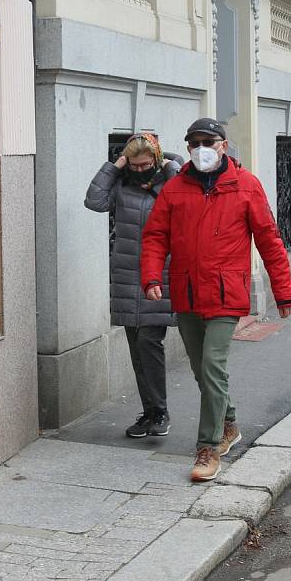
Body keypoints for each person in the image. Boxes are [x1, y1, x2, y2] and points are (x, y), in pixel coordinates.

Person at [141, 118, 291, 482]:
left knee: (211, 366)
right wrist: (150, 277)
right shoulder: (175, 188)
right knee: (201, 369)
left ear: (224, 145)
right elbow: (154, 236)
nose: (200, 149)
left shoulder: (246, 186)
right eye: (193, 143)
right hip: (188, 291)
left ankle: (207, 448)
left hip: (227, 293)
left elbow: (269, 240)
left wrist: (283, 290)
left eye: (207, 141)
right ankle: (229, 426)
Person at [84, 133, 183, 438]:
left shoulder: (171, 181)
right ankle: (151, 412)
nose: (140, 170)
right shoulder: (121, 184)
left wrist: (168, 167)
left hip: (160, 275)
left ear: (157, 159)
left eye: (146, 164)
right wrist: (115, 166)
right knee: (137, 350)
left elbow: (185, 200)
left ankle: (160, 411)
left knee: (148, 343)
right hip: (128, 276)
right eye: (135, 165)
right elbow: (94, 201)